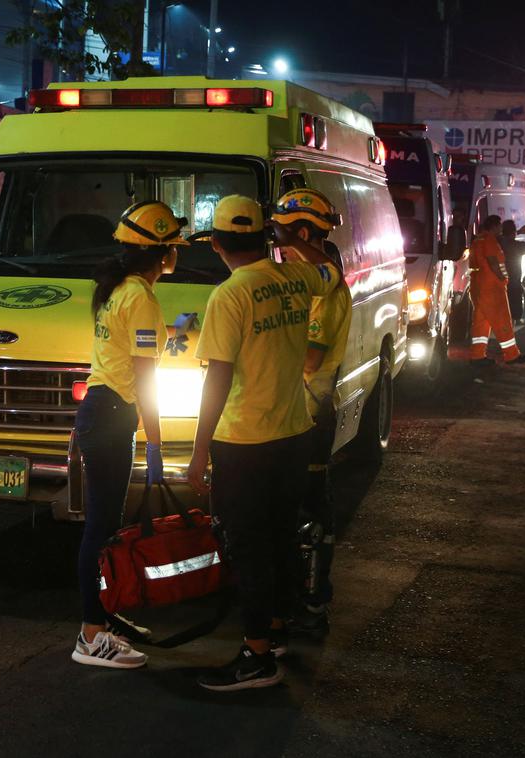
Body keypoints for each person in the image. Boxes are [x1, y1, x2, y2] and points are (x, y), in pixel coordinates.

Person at [187, 195, 340, 691]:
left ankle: (256, 657)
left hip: (245, 441)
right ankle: (275, 633)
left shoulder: (229, 295)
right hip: (293, 435)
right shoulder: (294, 277)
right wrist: (293, 240)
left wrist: (197, 450)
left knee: (249, 547)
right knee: (278, 540)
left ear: (216, 244)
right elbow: (331, 272)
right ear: (265, 238)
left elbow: (217, 379)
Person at [71, 200, 186, 670]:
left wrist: (177, 332)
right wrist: (156, 440)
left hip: (101, 412)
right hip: (112, 415)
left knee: (107, 524)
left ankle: (106, 615)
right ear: (162, 254)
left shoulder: (119, 289)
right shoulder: (140, 296)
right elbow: (144, 378)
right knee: (99, 527)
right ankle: (90, 634)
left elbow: (131, 351)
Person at [271, 188, 349, 639]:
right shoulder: (308, 279)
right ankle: (302, 595)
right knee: (297, 507)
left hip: (310, 414)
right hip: (298, 412)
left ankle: (313, 597)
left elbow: (311, 360)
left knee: (311, 508)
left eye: (282, 237)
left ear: (302, 233)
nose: (279, 248)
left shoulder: (325, 287)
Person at [470, 215, 525, 367]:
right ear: (494, 226)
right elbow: (493, 261)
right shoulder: (491, 240)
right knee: (503, 320)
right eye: (499, 226)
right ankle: (511, 355)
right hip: (492, 287)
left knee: (481, 322)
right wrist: (501, 278)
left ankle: (477, 356)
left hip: (478, 284)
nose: (501, 229)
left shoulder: (478, 240)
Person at [498, 220, 525, 323]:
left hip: (498, 281)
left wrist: (518, 231)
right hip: (513, 282)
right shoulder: (517, 245)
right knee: (513, 311)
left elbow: (505, 237)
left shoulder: (497, 242)